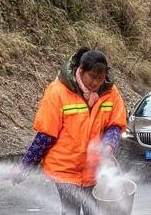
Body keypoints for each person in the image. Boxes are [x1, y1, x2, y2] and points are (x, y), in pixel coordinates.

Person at [16, 47, 127, 215]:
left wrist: (109, 144)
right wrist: (25, 166)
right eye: (93, 77)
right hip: (65, 169)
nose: (96, 83)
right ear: (80, 71)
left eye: (101, 78)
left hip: (94, 169)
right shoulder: (58, 92)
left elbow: (115, 125)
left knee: (94, 211)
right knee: (71, 211)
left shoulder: (111, 93)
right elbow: (45, 135)